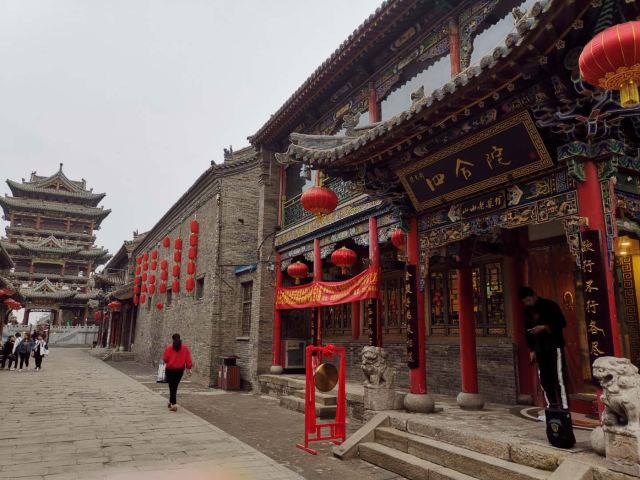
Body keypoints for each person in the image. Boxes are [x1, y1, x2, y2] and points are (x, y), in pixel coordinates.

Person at [519, 286, 569, 409]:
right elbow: (527, 332)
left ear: (534, 295)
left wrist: (544, 327)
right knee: (545, 378)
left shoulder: (550, 305)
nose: (527, 303)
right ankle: (552, 404)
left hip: (554, 345)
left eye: (528, 300)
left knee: (558, 376)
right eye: (525, 302)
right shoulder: (527, 311)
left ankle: (564, 406)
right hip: (539, 348)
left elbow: (562, 322)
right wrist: (531, 350)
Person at [162, 334, 192, 412]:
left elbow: (165, 359)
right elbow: (188, 360)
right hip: (179, 370)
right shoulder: (185, 348)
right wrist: (189, 367)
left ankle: (174, 404)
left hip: (170, 370)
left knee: (172, 386)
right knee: (174, 386)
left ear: (173, 339)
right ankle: (170, 402)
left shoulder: (169, 347)